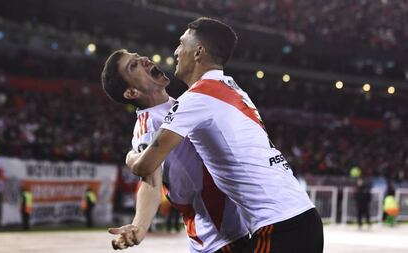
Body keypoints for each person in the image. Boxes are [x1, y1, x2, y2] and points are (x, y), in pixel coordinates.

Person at [128, 17, 324, 252]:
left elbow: (145, 166)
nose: (177, 51)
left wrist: (131, 155)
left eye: (182, 44)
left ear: (198, 52)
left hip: (280, 226)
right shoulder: (233, 89)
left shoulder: (195, 99)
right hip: (299, 218)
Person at [101, 50, 249, 252]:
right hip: (219, 236)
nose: (144, 59)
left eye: (138, 57)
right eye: (133, 66)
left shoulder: (180, 104)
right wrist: (140, 225)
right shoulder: (149, 126)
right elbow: (150, 181)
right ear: (132, 93)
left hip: (236, 226)